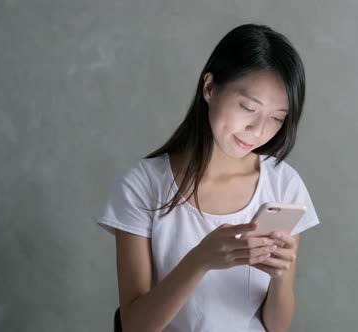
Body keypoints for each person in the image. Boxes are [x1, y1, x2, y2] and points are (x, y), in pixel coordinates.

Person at [96, 23, 320, 332]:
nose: (258, 131)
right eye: (248, 108)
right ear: (210, 88)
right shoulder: (143, 186)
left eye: (276, 119)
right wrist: (200, 259)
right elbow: (135, 326)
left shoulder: (283, 184)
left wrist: (280, 277)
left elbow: (277, 327)